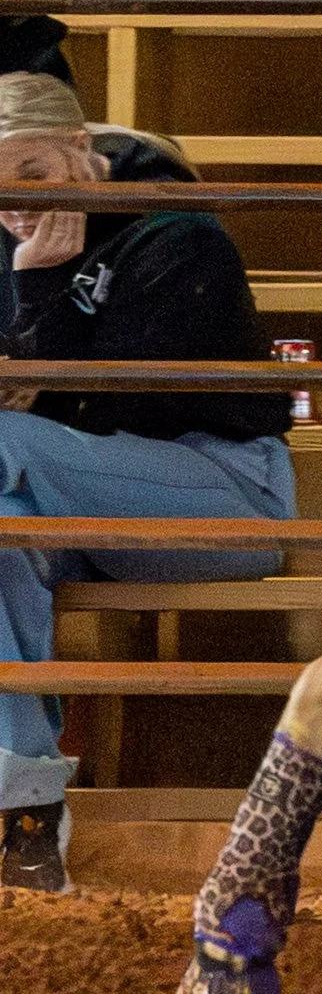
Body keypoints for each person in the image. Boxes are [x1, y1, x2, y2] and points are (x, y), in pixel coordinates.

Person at [0, 73, 295, 893]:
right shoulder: (8, 245)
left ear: (82, 154)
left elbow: (114, 403)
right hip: (74, 508)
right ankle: (23, 818)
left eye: (33, 174)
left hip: (226, 499)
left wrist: (40, 292)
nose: (16, 204)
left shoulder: (178, 234)